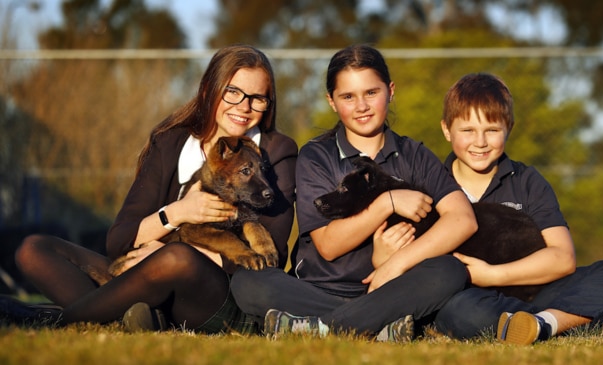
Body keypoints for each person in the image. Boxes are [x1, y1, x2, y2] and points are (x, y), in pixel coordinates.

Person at [2, 44, 297, 334]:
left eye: (258, 98)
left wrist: (166, 255)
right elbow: (119, 241)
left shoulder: (274, 151)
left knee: (176, 259)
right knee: (33, 250)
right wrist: (176, 213)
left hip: (213, 292)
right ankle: (133, 317)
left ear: (268, 104)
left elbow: (271, 258)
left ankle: (56, 321)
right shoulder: (170, 143)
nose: (244, 107)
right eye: (233, 92)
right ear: (209, 89)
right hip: (143, 271)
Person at [229, 44, 478, 342]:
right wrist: (387, 203)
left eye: (371, 93)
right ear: (332, 102)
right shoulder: (315, 156)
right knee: (248, 281)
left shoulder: (415, 155)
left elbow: (463, 220)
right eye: (348, 96)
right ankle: (376, 324)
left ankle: (321, 327)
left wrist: (396, 265)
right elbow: (329, 245)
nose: (361, 106)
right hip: (317, 290)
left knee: (449, 270)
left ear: (390, 91)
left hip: (391, 288)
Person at [433, 72, 603, 345]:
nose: (480, 141)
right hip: (471, 298)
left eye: (492, 130)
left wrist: (493, 275)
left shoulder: (528, 181)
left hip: (537, 291)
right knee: (460, 314)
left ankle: (541, 323)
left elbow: (563, 258)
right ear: (446, 129)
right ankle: (579, 318)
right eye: (468, 130)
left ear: (509, 127)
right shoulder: (432, 182)